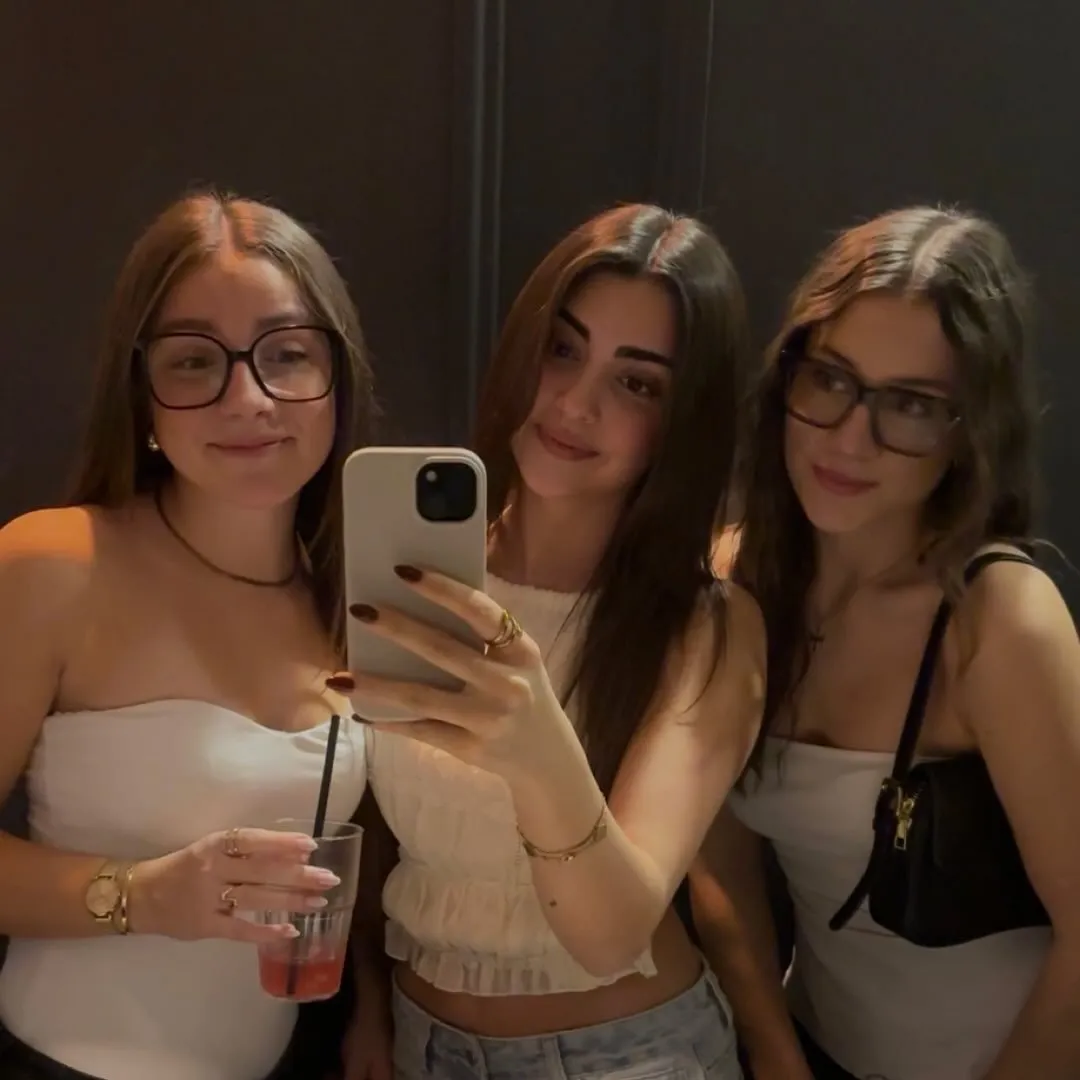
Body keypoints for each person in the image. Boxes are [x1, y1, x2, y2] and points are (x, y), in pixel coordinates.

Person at [330, 203, 765, 1080]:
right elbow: (370, 829)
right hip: (419, 1041)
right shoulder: (410, 568)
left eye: (636, 383)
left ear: (682, 419)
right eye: (562, 349)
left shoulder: (704, 627)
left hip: (622, 1058)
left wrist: (538, 751)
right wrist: (370, 1005)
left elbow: (610, 936)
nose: (574, 403)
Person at [691, 206, 1080, 1080]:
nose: (849, 438)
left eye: (910, 404)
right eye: (831, 379)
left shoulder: (998, 622)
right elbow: (716, 861)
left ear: (970, 431)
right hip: (817, 1046)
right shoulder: (734, 582)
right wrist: (776, 1053)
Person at [0, 192, 374, 1080]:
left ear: (336, 378)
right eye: (196, 361)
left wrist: (375, 1008)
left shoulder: (353, 601)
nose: (248, 398)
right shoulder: (56, 563)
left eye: (287, 353)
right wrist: (143, 894)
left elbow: (359, 855)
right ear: (143, 394)